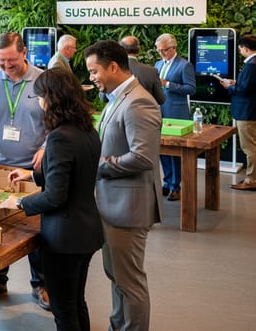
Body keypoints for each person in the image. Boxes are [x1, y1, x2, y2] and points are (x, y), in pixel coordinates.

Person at [3, 68, 103, 331]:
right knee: (77, 302)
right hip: (88, 229)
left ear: (51, 98)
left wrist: (20, 204)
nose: (38, 102)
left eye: (39, 97)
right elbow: (73, 176)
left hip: (65, 236)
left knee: (64, 310)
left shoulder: (59, 137)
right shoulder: (86, 129)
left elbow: (56, 196)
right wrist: (32, 176)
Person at [84, 40, 163, 331]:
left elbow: (143, 157)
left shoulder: (139, 101)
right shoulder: (118, 98)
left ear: (113, 66)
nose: (91, 78)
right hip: (112, 204)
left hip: (128, 208)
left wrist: (97, 165)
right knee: (116, 276)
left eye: (94, 71)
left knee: (129, 282)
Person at [0, 32, 49, 310]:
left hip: (32, 170)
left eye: (11, 60)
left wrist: (47, 147)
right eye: (1, 61)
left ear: (24, 52)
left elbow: (59, 121)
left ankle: (40, 286)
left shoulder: (43, 81)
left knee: (37, 232)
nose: (6, 66)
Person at [153, 33, 196, 201]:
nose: (161, 53)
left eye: (164, 50)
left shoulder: (184, 65)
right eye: (159, 50)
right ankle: (167, 182)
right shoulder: (157, 64)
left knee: (176, 152)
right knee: (162, 149)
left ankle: (176, 186)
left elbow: (191, 89)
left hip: (177, 113)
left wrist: (168, 84)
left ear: (173, 48)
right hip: (159, 111)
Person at [219, 34, 256, 190]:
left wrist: (230, 87)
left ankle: (251, 180)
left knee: (250, 147)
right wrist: (237, 82)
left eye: (240, 48)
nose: (240, 51)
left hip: (247, 112)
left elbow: (244, 90)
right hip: (250, 110)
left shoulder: (251, 65)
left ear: (245, 48)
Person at [120, 36, 165, 105]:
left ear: (121, 50)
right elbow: (161, 100)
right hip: (145, 113)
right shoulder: (151, 71)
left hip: (119, 114)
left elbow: (103, 97)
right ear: (138, 50)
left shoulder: (112, 69)